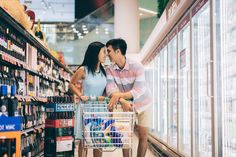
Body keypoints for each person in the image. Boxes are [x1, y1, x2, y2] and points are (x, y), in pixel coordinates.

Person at [106, 38, 152, 157]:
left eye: (109, 51)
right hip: (125, 105)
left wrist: (117, 95)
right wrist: (121, 100)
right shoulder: (110, 69)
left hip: (144, 104)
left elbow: (138, 90)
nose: (107, 54)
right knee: (124, 136)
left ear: (118, 51)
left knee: (143, 136)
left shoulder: (137, 67)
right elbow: (110, 89)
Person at [69, 41, 107, 157]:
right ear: (95, 53)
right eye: (103, 52)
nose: (106, 55)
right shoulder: (83, 70)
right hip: (86, 108)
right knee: (84, 140)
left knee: (99, 140)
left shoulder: (104, 71)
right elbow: (71, 84)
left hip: (100, 109)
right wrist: (80, 95)